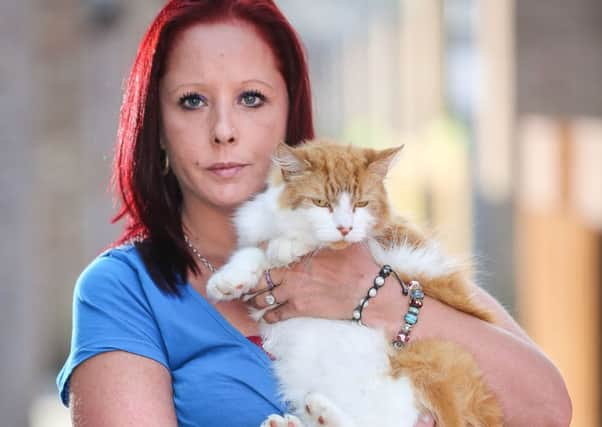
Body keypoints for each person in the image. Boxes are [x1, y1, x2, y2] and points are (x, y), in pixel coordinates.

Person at [57, 1, 572, 426]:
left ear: (289, 112)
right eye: (192, 101)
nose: (224, 129)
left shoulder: (382, 242)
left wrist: (375, 298)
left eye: (251, 98)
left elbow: (547, 410)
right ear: (157, 127)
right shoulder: (124, 291)